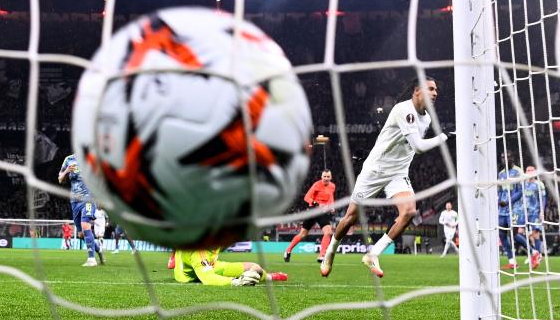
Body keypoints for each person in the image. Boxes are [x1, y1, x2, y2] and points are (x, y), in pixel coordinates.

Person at [320, 76, 449, 277]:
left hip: (398, 173)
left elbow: (409, 148)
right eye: (430, 88)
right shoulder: (403, 110)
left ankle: (373, 254)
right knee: (350, 218)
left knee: (409, 212)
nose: (435, 93)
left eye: (435, 90)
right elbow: (418, 147)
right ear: (417, 91)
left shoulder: (427, 119)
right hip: (375, 170)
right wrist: (443, 137)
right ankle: (330, 253)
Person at [58, 154, 104, 266]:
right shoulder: (68, 159)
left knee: (85, 225)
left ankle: (91, 259)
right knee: (81, 234)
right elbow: (60, 179)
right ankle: (99, 250)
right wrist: (67, 171)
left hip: (88, 198)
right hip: (74, 201)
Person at [498, 154, 540, 270]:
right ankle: (512, 261)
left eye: (508, 157)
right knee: (501, 234)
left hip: (515, 208)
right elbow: (500, 191)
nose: (505, 159)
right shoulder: (501, 174)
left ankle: (534, 252)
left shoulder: (518, 172)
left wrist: (508, 202)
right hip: (502, 209)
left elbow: (521, 191)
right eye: (503, 158)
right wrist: (498, 201)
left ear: (513, 159)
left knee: (515, 234)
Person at [284, 169, 336, 263]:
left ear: (331, 177)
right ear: (321, 177)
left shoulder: (332, 186)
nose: (326, 178)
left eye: (328, 176)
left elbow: (331, 197)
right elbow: (306, 197)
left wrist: (332, 206)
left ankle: (321, 255)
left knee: (328, 232)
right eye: (324, 176)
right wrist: (317, 204)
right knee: (303, 234)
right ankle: (288, 250)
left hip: (322, 212)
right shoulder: (316, 184)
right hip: (313, 210)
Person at [174, 248, 288, 286]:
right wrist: (236, 281)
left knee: (255, 268)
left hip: (212, 264)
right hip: (190, 275)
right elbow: (208, 279)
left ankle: (269, 277)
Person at [521, 165, 546, 268]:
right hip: (523, 212)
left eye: (531, 170)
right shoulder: (523, 183)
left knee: (535, 234)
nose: (530, 171)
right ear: (525, 172)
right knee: (519, 233)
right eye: (528, 170)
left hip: (535, 212)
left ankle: (536, 255)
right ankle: (534, 253)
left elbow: (543, 198)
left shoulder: (539, 184)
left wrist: (542, 211)